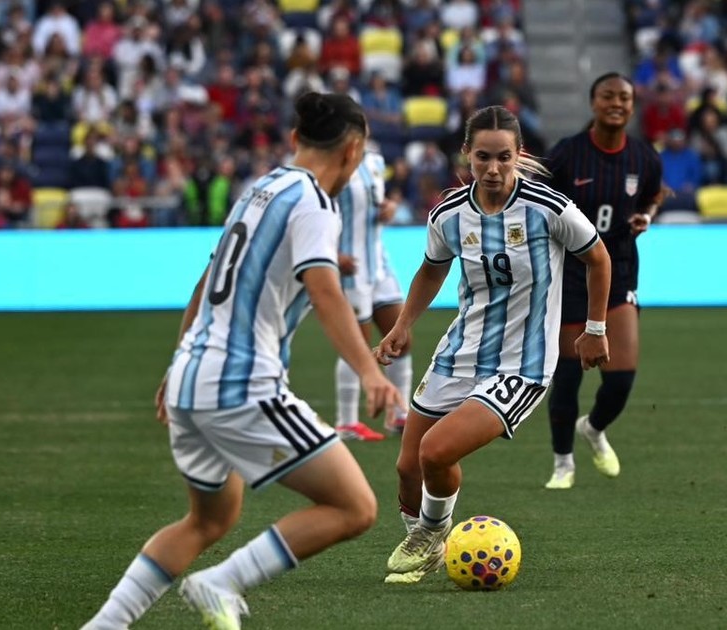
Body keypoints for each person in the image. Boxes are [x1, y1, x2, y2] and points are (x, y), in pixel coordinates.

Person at [81, 93, 402, 630]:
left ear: (296, 139)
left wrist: (178, 361)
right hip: (241, 383)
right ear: (352, 152)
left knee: (209, 519)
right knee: (355, 507)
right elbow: (325, 291)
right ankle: (220, 583)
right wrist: (371, 372)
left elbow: (207, 280)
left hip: (192, 378)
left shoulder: (260, 188)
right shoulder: (315, 203)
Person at [375, 106, 611, 584]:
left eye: (504, 157)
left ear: (519, 154)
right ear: (467, 153)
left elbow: (598, 258)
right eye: (483, 157)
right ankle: (428, 548)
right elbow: (432, 270)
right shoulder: (448, 215)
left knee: (436, 452)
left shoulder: (549, 209)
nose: (493, 168)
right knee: (408, 467)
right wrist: (402, 324)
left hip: (522, 365)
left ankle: (430, 534)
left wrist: (595, 327)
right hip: (459, 352)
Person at [540, 72, 663, 490]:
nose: (616, 103)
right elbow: (537, 200)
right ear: (593, 103)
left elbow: (653, 194)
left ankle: (592, 428)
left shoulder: (644, 157)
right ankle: (563, 464)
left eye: (624, 97)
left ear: (632, 105)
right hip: (571, 273)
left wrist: (647, 215)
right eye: (608, 96)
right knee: (568, 376)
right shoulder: (567, 155)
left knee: (621, 378)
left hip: (620, 268)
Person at [333, 145, 414, 441]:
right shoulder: (333, 163)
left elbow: (375, 203)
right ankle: (346, 422)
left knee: (401, 338)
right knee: (357, 343)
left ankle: (399, 414)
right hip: (350, 266)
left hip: (379, 262)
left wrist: (388, 209)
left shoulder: (375, 161)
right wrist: (332, 253)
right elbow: (319, 211)